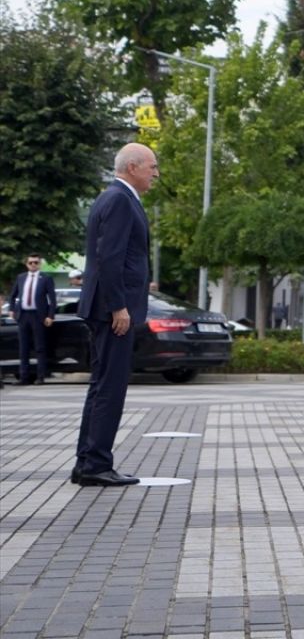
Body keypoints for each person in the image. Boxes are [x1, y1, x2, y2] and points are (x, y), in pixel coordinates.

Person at [73, 143, 158, 487]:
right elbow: (110, 257)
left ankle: (88, 462)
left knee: (101, 385)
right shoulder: (120, 200)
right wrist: (118, 306)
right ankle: (95, 464)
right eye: (152, 166)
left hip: (106, 306)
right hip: (112, 311)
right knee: (110, 386)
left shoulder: (113, 197)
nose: (155, 173)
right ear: (133, 167)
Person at [9, 254, 57, 385]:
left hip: (38, 316)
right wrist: (12, 309)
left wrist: (50, 316)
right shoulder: (21, 278)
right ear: (27, 264)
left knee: (39, 347)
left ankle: (40, 376)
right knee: (23, 347)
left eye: (36, 262)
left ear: (39, 264)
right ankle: (24, 377)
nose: (33, 265)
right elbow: (12, 295)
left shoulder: (46, 278)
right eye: (31, 263)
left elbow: (52, 299)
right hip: (23, 315)